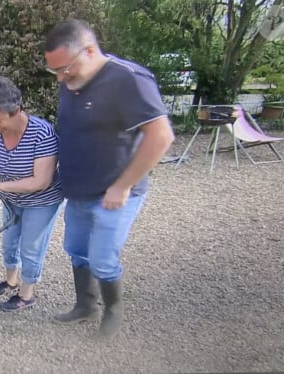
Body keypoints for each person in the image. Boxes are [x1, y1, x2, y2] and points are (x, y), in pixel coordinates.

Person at [43, 19, 175, 336]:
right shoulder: (69, 81)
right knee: (76, 250)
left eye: (65, 68)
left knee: (102, 259)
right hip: (78, 191)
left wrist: (122, 184)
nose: (60, 78)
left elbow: (161, 136)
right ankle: (85, 306)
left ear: (89, 50)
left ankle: (112, 311)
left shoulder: (128, 79)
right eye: (55, 72)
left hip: (115, 193)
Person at [0, 76, 63, 312]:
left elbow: (41, 181)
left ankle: (26, 295)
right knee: (9, 243)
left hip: (42, 200)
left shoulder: (42, 133)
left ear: (16, 110)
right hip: (12, 200)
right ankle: (11, 280)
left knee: (30, 246)